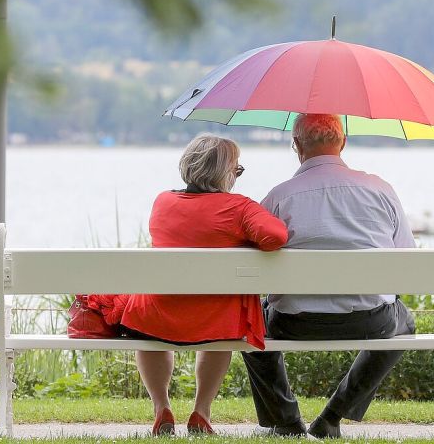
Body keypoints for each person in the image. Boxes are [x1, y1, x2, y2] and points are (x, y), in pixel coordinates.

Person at [241, 113, 417, 439]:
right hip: (370, 320)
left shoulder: (280, 196)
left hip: (294, 322)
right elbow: (406, 257)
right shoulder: (381, 190)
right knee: (404, 322)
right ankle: (333, 416)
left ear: (296, 145)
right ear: (343, 142)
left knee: (250, 325)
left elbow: (251, 262)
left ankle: (286, 420)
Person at [111, 134, 287, 436]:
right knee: (220, 316)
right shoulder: (239, 208)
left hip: (156, 316)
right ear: (224, 173)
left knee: (151, 316)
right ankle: (201, 410)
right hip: (213, 320)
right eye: (237, 170)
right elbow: (276, 236)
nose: (236, 177)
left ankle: (161, 407)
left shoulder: (163, 202)